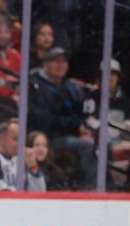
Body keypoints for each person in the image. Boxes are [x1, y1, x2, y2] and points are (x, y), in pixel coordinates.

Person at [27, 47, 96, 190]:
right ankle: (88, 186)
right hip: (48, 137)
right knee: (88, 144)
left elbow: (79, 112)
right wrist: (76, 126)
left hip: (68, 134)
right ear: (46, 64)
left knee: (102, 141)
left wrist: (84, 126)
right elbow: (45, 121)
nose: (61, 65)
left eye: (64, 62)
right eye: (56, 61)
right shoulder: (36, 86)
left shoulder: (69, 86)